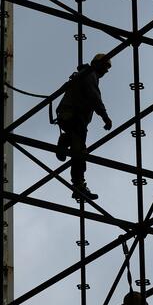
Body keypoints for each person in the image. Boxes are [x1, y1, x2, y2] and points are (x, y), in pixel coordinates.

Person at [54, 53, 113, 201]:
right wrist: (105, 116)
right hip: (75, 117)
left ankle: (65, 140)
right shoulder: (89, 74)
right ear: (98, 64)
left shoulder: (85, 74)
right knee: (79, 152)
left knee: (78, 148)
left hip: (68, 116)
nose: (106, 71)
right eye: (106, 66)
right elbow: (94, 97)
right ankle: (79, 185)